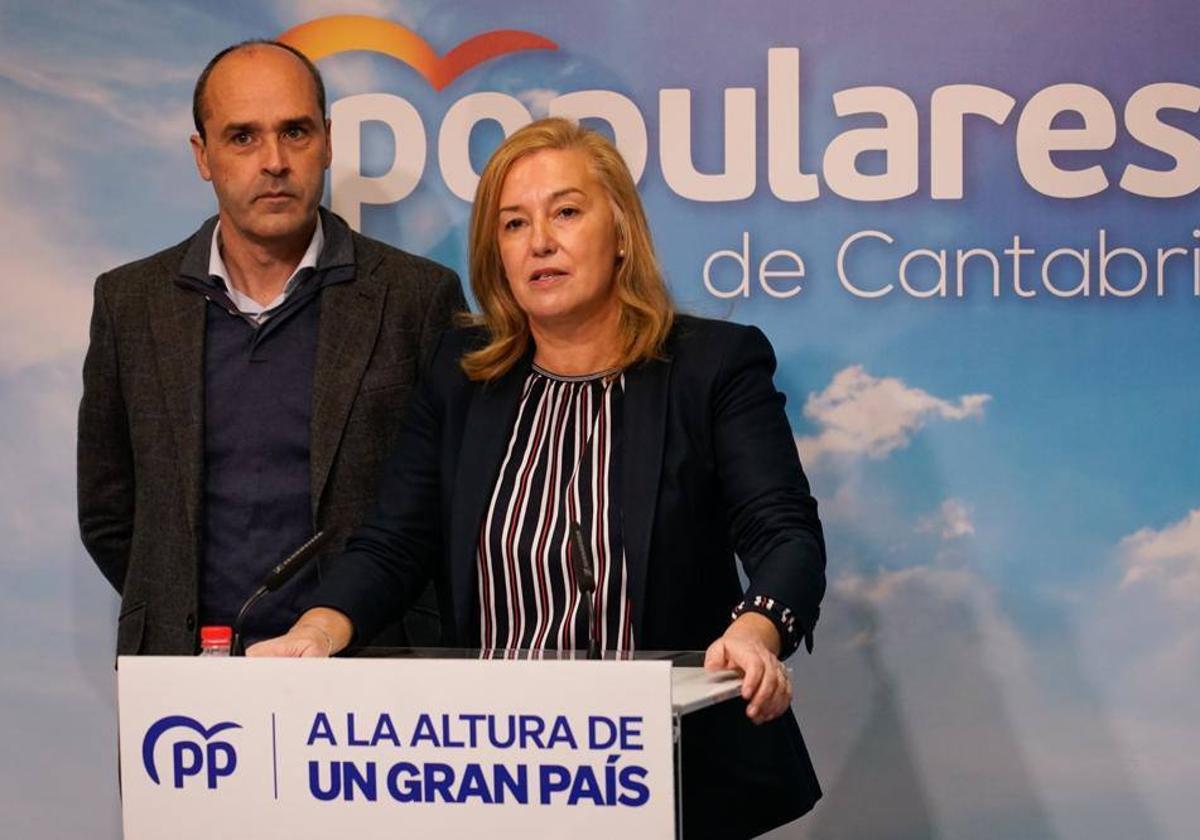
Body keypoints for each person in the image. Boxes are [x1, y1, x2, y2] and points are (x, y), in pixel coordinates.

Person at [250, 117, 826, 837]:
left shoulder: (713, 367)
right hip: (497, 774)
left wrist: (756, 628)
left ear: (620, 232)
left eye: (566, 212)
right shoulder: (463, 378)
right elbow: (393, 545)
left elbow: (786, 536)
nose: (540, 241)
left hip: (671, 775)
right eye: (514, 223)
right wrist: (318, 628)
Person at [76, 39, 465, 655]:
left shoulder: (418, 297)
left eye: (296, 132)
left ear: (329, 142)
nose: (275, 160)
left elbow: (446, 507)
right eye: (243, 137)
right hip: (186, 687)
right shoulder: (131, 303)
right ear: (202, 155)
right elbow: (108, 512)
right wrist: (175, 607)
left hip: (374, 676)